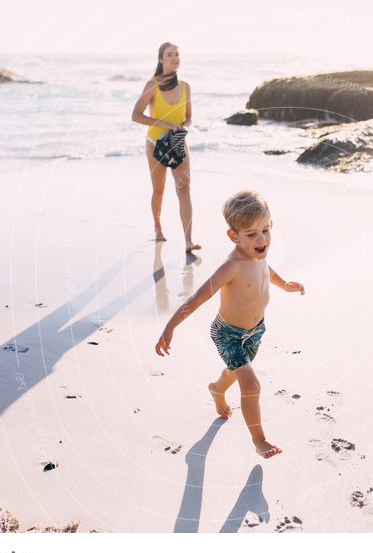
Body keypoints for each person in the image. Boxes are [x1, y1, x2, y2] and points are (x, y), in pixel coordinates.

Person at [155, 191, 305, 459]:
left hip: (256, 330)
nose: (261, 239)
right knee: (251, 385)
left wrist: (286, 285)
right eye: (251, 234)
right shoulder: (231, 266)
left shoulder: (258, 254)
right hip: (228, 334)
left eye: (266, 230)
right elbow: (198, 298)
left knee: (236, 372)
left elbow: (267, 273)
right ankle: (259, 440)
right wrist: (170, 327)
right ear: (233, 236)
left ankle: (216, 388)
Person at [132, 42, 201, 252]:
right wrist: (163, 123)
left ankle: (188, 241)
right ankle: (158, 227)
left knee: (184, 188)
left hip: (177, 143)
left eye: (177, 54)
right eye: (170, 55)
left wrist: (181, 128)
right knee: (159, 190)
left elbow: (188, 118)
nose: (175, 58)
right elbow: (136, 115)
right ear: (161, 60)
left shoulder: (186, 87)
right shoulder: (152, 85)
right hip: (155, 144)